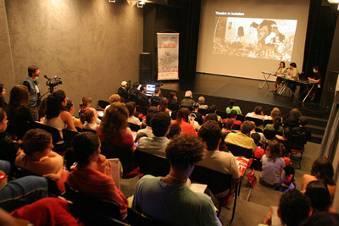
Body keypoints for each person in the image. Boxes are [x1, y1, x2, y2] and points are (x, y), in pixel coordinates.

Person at [133, 135, 222, 226]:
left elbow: (135, 214)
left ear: (168, 157)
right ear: (194, 163)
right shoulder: (202, 204)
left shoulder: (143, 183)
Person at [67, 132, 128, 220]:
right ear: (94, 152)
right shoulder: (105, 181)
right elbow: (122, 207)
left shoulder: (72, 174)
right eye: (99, 147)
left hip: (86, 213)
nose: (100, 150)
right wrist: (106, 176)